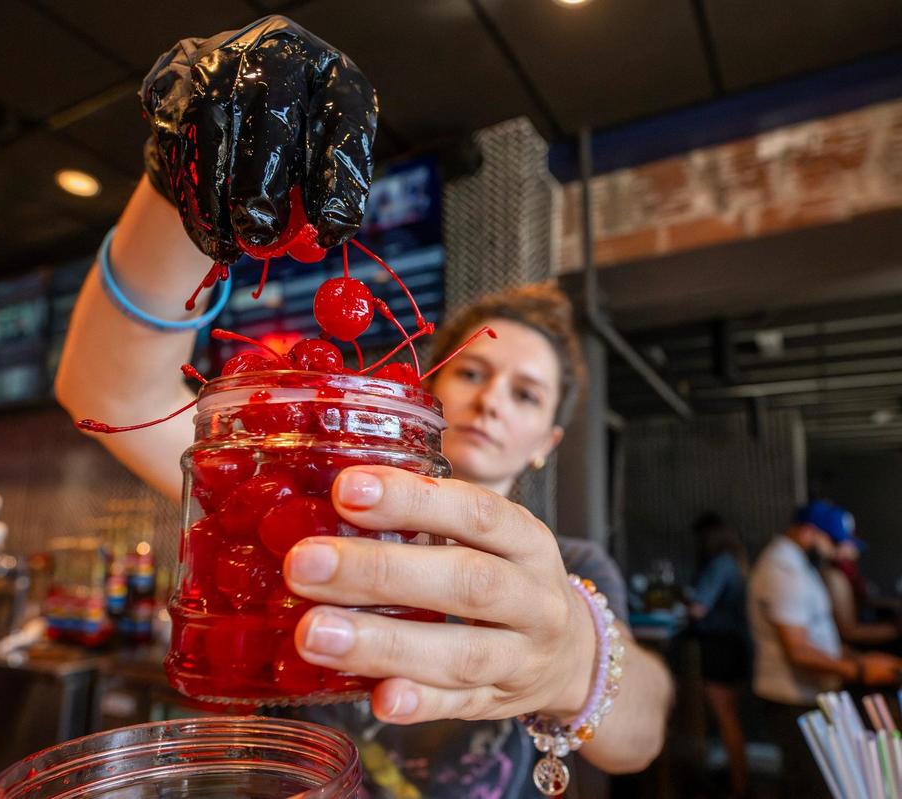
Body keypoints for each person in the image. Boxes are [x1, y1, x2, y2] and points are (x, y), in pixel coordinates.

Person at [55, 16, 672, 797]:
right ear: (422, 396)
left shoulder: (572, 569)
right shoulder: (302, 496)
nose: (488, 400)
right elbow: (108, 389)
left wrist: (577, 656)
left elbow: (645, 731)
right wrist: (183, 174)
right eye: (473, 371)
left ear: (547, 439)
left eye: (524, 393)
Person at [747, 500, 902, 794]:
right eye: (832, 541)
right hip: (793, 698)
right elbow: (798, 649)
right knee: (811, 784)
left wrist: (859, 657)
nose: (835, 549)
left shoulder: (797, 564)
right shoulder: (783, 570)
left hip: (812, 694)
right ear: (809, 533)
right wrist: (858, 669)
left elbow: (819, 634)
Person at [687, 513, 749, 797]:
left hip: (720, 645)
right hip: (732, 644)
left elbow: (699, 607)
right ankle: (738, 781)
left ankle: (739, 786)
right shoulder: (734, 560)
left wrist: (684, 599)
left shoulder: (719, 563)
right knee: (729, 717)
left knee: (726, 717)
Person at [814, 506, 900, 648]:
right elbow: (849, 632)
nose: (852, 550)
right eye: (844, 542)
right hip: (849, 650)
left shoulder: (843, 571)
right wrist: (896, 629)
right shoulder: (833, 576)